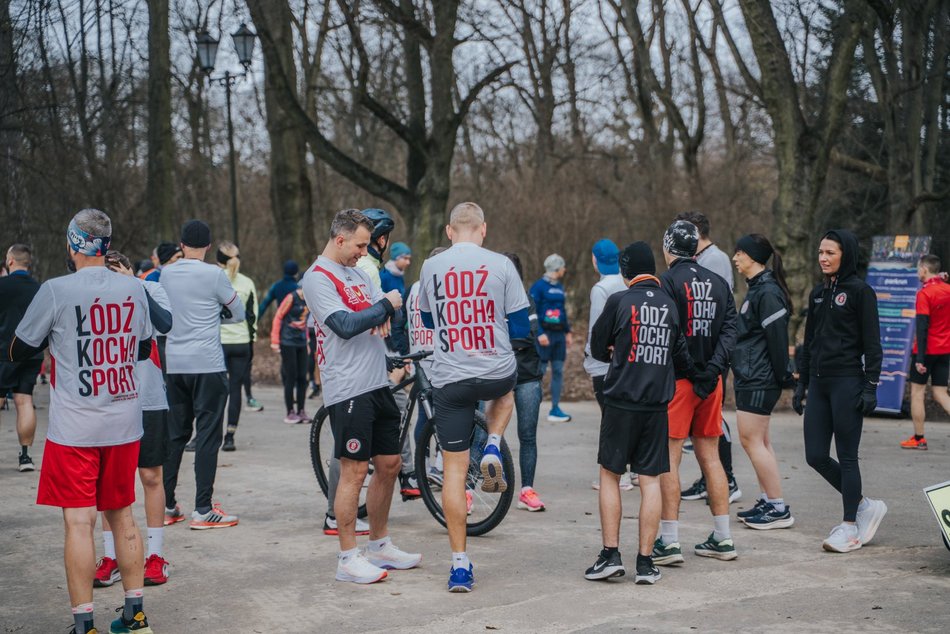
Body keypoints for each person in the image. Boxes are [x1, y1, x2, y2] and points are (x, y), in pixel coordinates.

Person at [9, 209, 155, 634]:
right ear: (106, 246)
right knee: (123, 515)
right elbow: (144, 348)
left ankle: (84, 623)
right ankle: (135, 614)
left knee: (79, 521)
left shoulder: (55, 290)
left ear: (73, 243)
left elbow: (21, 348)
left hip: (75, 427)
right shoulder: (134, 288)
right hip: (124, 421)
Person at [302, 208, 420, 584]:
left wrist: (379, 312)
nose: (364, 252)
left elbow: (380, 322)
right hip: (347, 387)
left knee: (389, 465)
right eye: (359, 245)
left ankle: (380, 545)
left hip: (376, 381)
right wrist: (383, 305)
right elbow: (347, 325)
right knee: (353, 472)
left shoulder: (356, 274)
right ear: (339, 239)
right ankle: (347, 557)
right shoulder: (318, 278)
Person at [417, 202, 530, 592]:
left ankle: (459, 565)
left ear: (449, 232)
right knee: (509, 381)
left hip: (450, 379)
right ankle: (495, 443)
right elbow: (519, 326)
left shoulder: (431, 267)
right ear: (484, 229)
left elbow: (429, 321)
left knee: (453, 470)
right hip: (495, 372)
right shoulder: (502, 265)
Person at [587, 241, 694, 585]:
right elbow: (679, 354)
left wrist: (618, 350)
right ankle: (646, 563)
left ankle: (610, 555)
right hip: (657, 406)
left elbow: (595, 347)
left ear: (625, 270)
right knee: (650, 481)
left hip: (620, 403)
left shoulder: (619, 300)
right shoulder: (670, 304)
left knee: (610, 476)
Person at [793, 229, 888, 553]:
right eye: (820, 252)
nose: (823, 258)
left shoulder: (861, 292)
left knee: (847, 457)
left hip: (848, 382)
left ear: (844, 255)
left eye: (830, 252)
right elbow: (809, 343)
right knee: (815, 455)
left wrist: (871, 386)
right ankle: (863, 505)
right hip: (819, 384)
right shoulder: (818, 294)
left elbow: (874, 346)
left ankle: (850, 527)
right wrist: (802, 383)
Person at [654, 220, 739, 565]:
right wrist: (712, 372)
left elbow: (670, 333)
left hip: (679, 382)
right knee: (711, 457)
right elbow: (730, 332)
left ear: (668, 248)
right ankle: (723, 536)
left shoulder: (667, 282)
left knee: (670, 459)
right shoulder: (719, 283)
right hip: (711, 384)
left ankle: (670, 540)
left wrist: (691, 372)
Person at [94, 250, 174, 589]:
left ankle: (155, 556)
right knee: (110, 481)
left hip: (148, 397)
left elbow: (165, 324)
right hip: (107, 399)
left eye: (117, 271)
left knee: (151, 475)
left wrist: (134, 285)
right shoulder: (92, 296)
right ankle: (112, 556)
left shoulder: (150, 289)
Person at [160, 220, 245, 530]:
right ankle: (203, 509)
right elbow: (238, 312)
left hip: (175, 364)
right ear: (209, 246)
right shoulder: (214, 274)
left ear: (181, 245)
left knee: (175, 435)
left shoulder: (166, 273)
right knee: (208, 435)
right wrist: (214, 317)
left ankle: (166, 505)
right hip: (207, 363)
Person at [675, 210, 741, 504]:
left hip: (707, 358)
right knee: (704, 434)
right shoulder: (704, 261)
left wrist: (710, 365)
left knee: (712, 429)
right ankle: (712, 479)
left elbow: (716, 314)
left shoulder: (713, 260)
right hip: (704, 357)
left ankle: (728, 477)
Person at [730, 235, 796, 529]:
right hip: (752, 375)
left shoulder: (767, 292)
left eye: (739, 253)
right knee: (761, 441)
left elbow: (777, 339)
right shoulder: (758, 289)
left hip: (759, 378)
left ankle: (778, 509)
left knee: (750, 440)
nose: (735, 258)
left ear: (754, 257)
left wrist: (784, 376)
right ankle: (770, 500)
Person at [355, 209, 419, 499]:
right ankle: (406, 472)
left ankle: (405, 471)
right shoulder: (369, 269)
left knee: (396, 403)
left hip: (378, 351)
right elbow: (371, 317)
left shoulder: (369, 267)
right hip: (370, 356)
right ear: (380, 239)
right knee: (396, 405)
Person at [584, 238, 636, 491]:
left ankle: (618, 473)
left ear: (595, 260)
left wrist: (589, 356)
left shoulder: (601, 288)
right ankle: (634, 469)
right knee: (629, 417)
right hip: (627, 361)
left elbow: (596, 329)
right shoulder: (627, 283)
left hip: (603, 364)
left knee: (610, 420)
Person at [503, 252, 547, 512]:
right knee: (484, 434)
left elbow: (527, 337)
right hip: (497, 375)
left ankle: (527, 490)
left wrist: (502, 341)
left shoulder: (526, 299)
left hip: (528, 377)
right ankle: (468, 492)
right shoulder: (490, 300)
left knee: (527, 435)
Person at [0, 244, 42, 471]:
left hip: (3, 352)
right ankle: (25, 457)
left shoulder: (2, 286)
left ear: (10, 260)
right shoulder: (40, 289)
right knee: (24, 400)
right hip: (31, 353)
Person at [902, 254, 950, 450]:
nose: (917, 272)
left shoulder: (924, 294)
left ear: (924, 269)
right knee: (940, 392)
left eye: (918, 268)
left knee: (917, 393)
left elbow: (922, 327)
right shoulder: (947, 289)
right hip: (945, 348)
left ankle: (919, 438)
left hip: (926, 350)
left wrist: (920, 358)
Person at [216, 241, 260, 450]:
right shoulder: (247, 282)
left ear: (218, 261)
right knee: (236, 390)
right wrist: (251, 342)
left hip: (218, 342)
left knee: (216, 390)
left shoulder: (212, 280)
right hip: (241, 342)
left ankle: (209, 434)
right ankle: (230, 436)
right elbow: (252, 316)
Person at [530, 254, 573, 422]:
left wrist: (567, 332)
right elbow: (532, 311)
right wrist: (539, 333)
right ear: (556, 268)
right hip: (544, 336)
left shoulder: (560, 287)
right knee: (539, 373)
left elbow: (562, 311)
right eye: (563, 267)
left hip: (558, 337)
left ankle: (555, 409)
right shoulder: (538, 287)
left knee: (558, 371)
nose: (564, 270)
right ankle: (532, 408)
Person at [271, 286, 311, 423]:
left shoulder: (310, 299)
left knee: (302, 378)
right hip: (287, 342)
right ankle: (290, 412)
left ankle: (301, 411)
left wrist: (307, 342)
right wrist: (275, 341)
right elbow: (278, 317)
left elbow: (305, 322)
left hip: (301, 342)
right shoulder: (291, 298)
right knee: (291, 377)